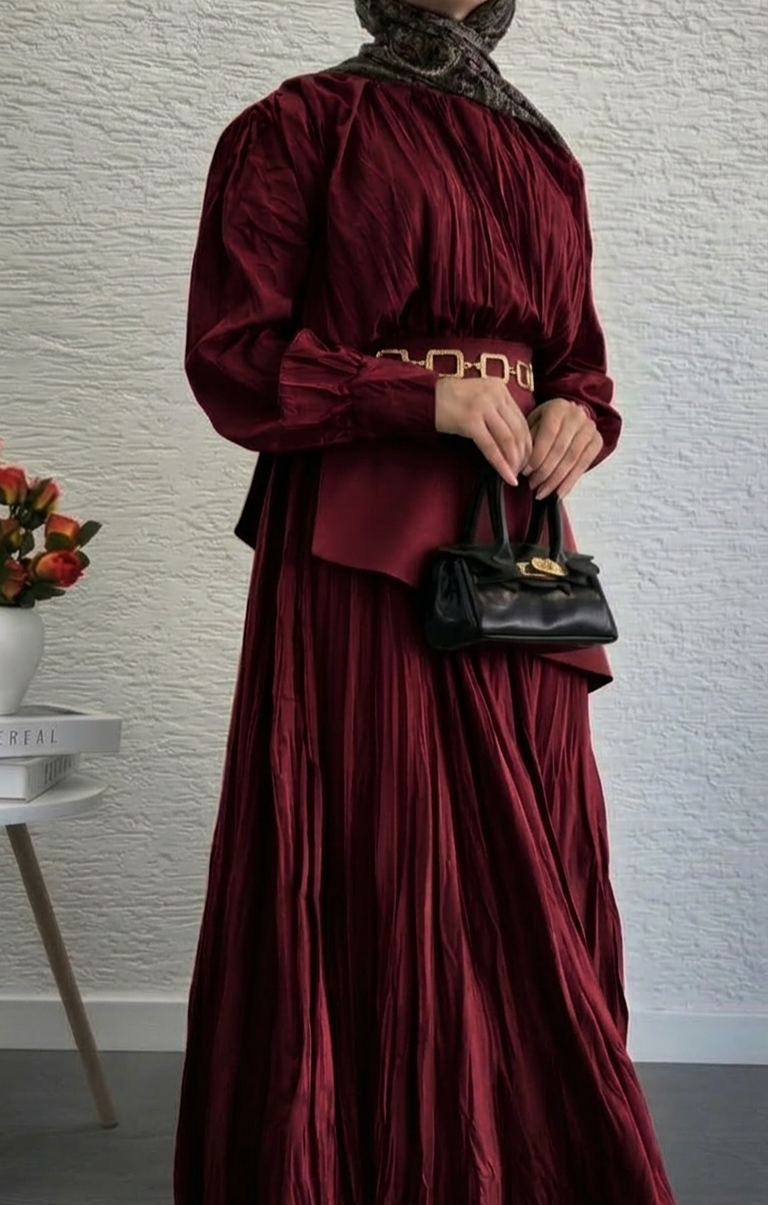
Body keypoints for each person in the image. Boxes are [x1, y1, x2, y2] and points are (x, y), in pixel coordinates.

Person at [173, 2, 678, 1202]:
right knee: (384, 831)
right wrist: (418, 395)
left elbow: (576, 353)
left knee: (538, 832)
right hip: (363, 532)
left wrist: (582, 409)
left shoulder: (544, 152)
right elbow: (233, 355)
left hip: (515, 536)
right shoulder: (301, 123)